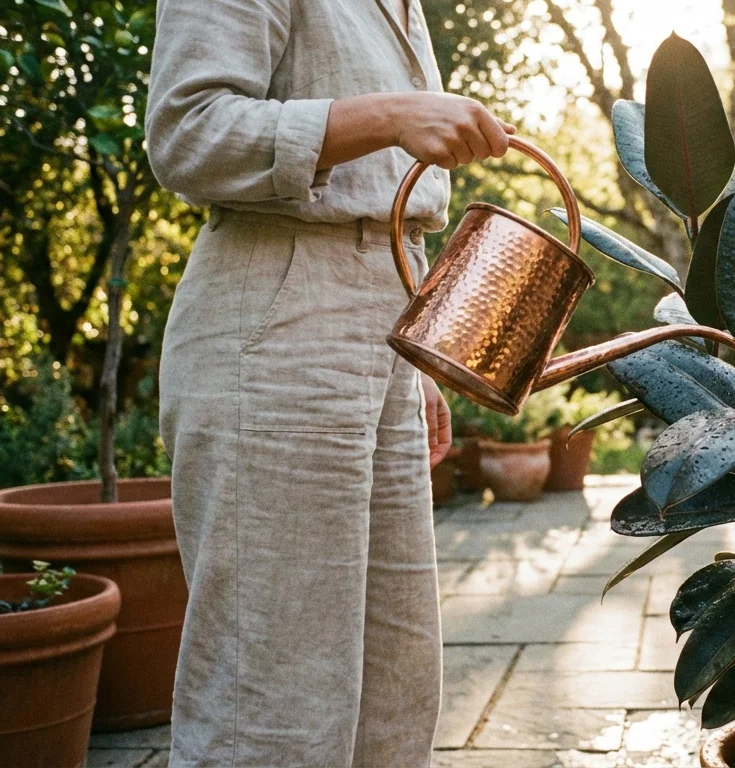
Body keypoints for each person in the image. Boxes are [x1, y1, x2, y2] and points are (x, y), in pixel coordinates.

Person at [146, 1, 512, 764]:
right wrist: (388, 114)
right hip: (279, 317)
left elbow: (383, 198)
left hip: (385, 318)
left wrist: (416, 346)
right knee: (272, 699)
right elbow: (186, 131)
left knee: (395, 691)